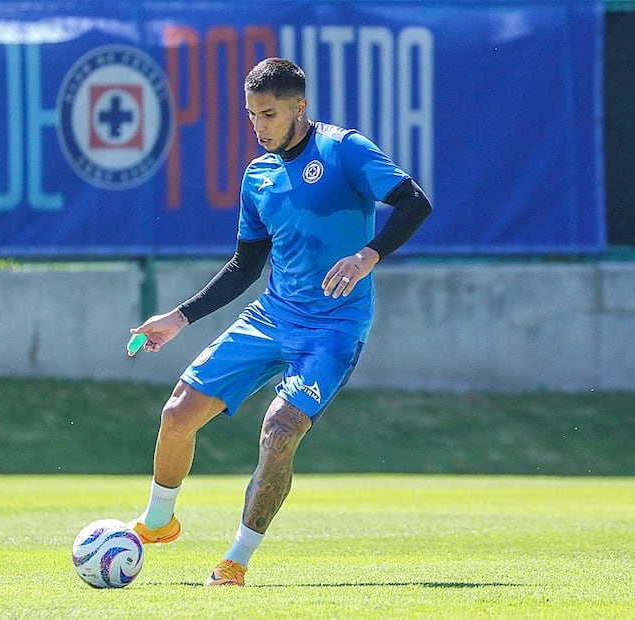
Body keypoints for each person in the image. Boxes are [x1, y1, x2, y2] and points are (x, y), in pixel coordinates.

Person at [127, 57, 432, 586]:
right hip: (271, 316)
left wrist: (368, 255)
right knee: (176, 414)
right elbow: (246, 264)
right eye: (251, 116)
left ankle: (235, 562)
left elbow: (413, 203)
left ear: (300, 107)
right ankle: (158, 523)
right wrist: (179, 318)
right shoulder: (257, 175)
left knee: (279, 429)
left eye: (268, 115)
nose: (258, 127)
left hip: (335, 328)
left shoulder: (344, 150)